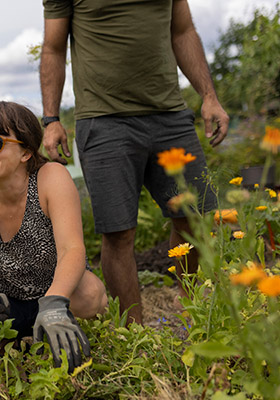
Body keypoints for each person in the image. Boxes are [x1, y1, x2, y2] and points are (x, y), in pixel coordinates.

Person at [39, 0, 230, 325]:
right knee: (118, 232)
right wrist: (51, 119)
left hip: (169, 114)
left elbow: (182, 30)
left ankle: (191, 310)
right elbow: (53, 48)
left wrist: (209, 95)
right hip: (104, 120)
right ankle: (135, 331)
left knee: (194, 216)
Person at [0, 101, 107, 372]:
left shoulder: (51, 178)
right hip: (5, 301)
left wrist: (53, 302)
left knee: (91, 295)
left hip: (61, 293)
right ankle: (15, 348)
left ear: (26, 151)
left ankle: (71, 339)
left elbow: (72, 250)